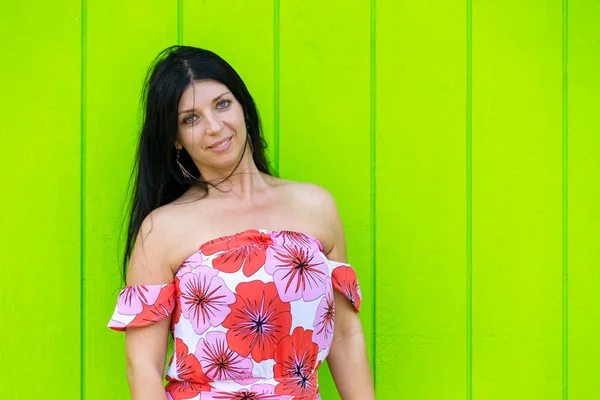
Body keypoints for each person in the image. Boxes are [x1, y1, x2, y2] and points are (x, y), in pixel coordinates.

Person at [107, 45, 375, 400]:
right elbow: (142, 367)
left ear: (244, 108)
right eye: (190, 118)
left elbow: (344, 335)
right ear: (175, 139)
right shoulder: (161, 230)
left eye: (222, 104)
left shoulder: (316, 206)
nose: (215, 127)